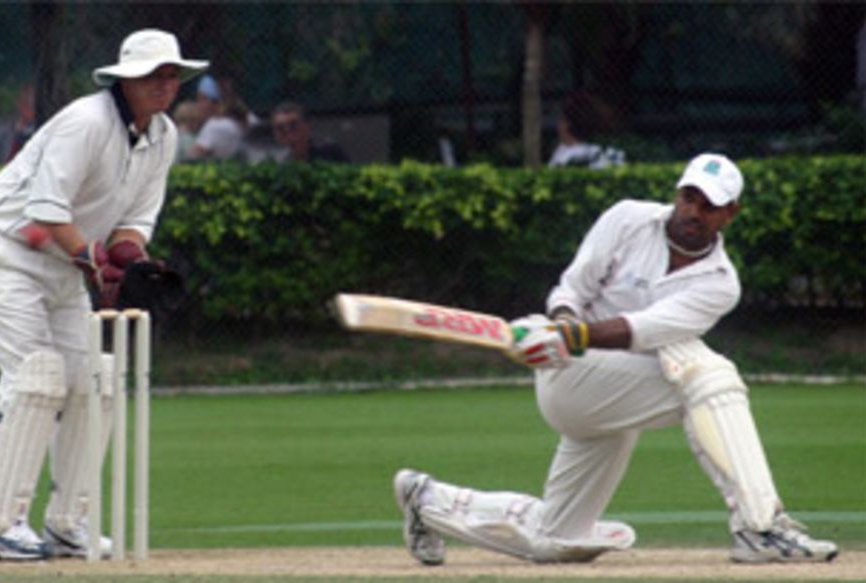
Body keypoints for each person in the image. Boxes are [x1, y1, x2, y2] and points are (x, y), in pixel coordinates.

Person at [393, 153, 839, 566]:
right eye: (689, 197)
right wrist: (563, 322)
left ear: (730, 213)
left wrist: (574, 334)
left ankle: (428, 501)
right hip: (570, 377)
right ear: (678, 193)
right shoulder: (627, 218)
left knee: (557, 540)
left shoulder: (721, 284)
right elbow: (572, 290)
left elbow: (643, 329)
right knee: (711, 377)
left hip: (618, 394)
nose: (693, 212)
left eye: (709, 205)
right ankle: (759, 526)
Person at [0, 29, 206, 561]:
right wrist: (94, 261)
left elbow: (134, 223)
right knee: (39, 375)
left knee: (98, 381)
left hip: (59, 265)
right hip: (2, 249)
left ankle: (69, 524)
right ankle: (0, 523)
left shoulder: (162, 136)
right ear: (127, 79)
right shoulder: (86, 122)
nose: (166, 85)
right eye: (155, 74)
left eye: (172, 75)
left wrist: (129, 261)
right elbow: (45, 213)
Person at [547, 91, 625, 169]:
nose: (558, 125)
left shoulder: (565, 157)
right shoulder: (611, 152)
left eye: (562, 119)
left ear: (567, 124)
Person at [187, 74, 245, 161]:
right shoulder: (236, 122)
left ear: (215, 102)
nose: (198, 104)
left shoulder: (214, 126)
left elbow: (191, 158)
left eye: (202, 99)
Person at [270, 101, 349, 163]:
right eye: (280, 128)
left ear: (307, 126)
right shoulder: (274, 161)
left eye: (293, 126)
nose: (287, 132)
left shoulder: (329, 152)